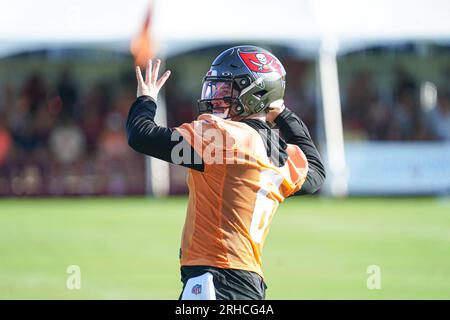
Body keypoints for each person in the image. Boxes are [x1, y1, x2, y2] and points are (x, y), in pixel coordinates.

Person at [126, 45, 325, 300]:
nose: (217, 95)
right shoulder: (277, 150)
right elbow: (316, 172)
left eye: (227, 88)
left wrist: (146, 99)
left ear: (255, 94)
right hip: (247, 284)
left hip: (216, 280)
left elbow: (140, 135)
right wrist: (283, 113)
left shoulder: (223, 138)